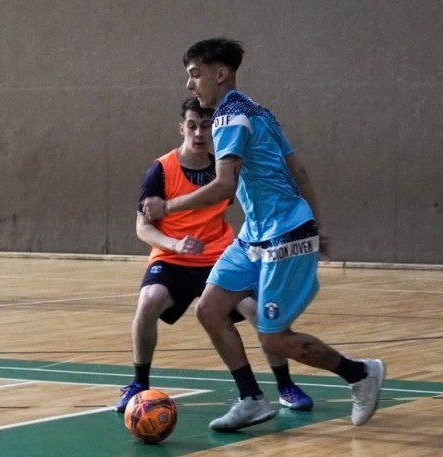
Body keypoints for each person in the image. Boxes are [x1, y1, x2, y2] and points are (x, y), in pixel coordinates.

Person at [143, 38, 385, 431]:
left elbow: (224, 186)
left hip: (285, 235)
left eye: (194, 75)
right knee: (209, 308)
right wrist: (319, 224)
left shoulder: (228, 119)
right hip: (254, 236)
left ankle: (360, 373)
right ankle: (252, 399)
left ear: (220, 75)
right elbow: (299, 172)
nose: (190, 85)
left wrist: (167, 207)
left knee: (273, 338)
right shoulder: (260, 112)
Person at [116, 97, 313, 413]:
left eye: (205, 126)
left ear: (215, 129)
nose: (198, 133)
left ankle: (285, 385)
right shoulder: (160, 170)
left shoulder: (227, 167)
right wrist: (174, 244)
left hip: (220, 257)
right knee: (149, 300)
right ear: (182, 128)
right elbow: (143, 227)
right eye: (191, 126)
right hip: (173, 259)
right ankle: (139, 382)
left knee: (259, 311)